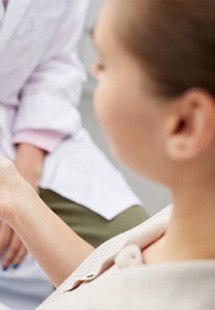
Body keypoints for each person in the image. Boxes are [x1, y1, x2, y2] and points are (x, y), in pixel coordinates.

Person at [0, 0, 215, 309]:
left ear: (184, 125)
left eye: (104, 63)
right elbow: (105, 287)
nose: (93, 70)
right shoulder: (177, 228)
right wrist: (17, 198)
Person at [0, 0, 148, 309]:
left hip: (30, 127)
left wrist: (30, 159)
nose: (97, 70)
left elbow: (56, 62)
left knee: (131, 246)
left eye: (105, 64)